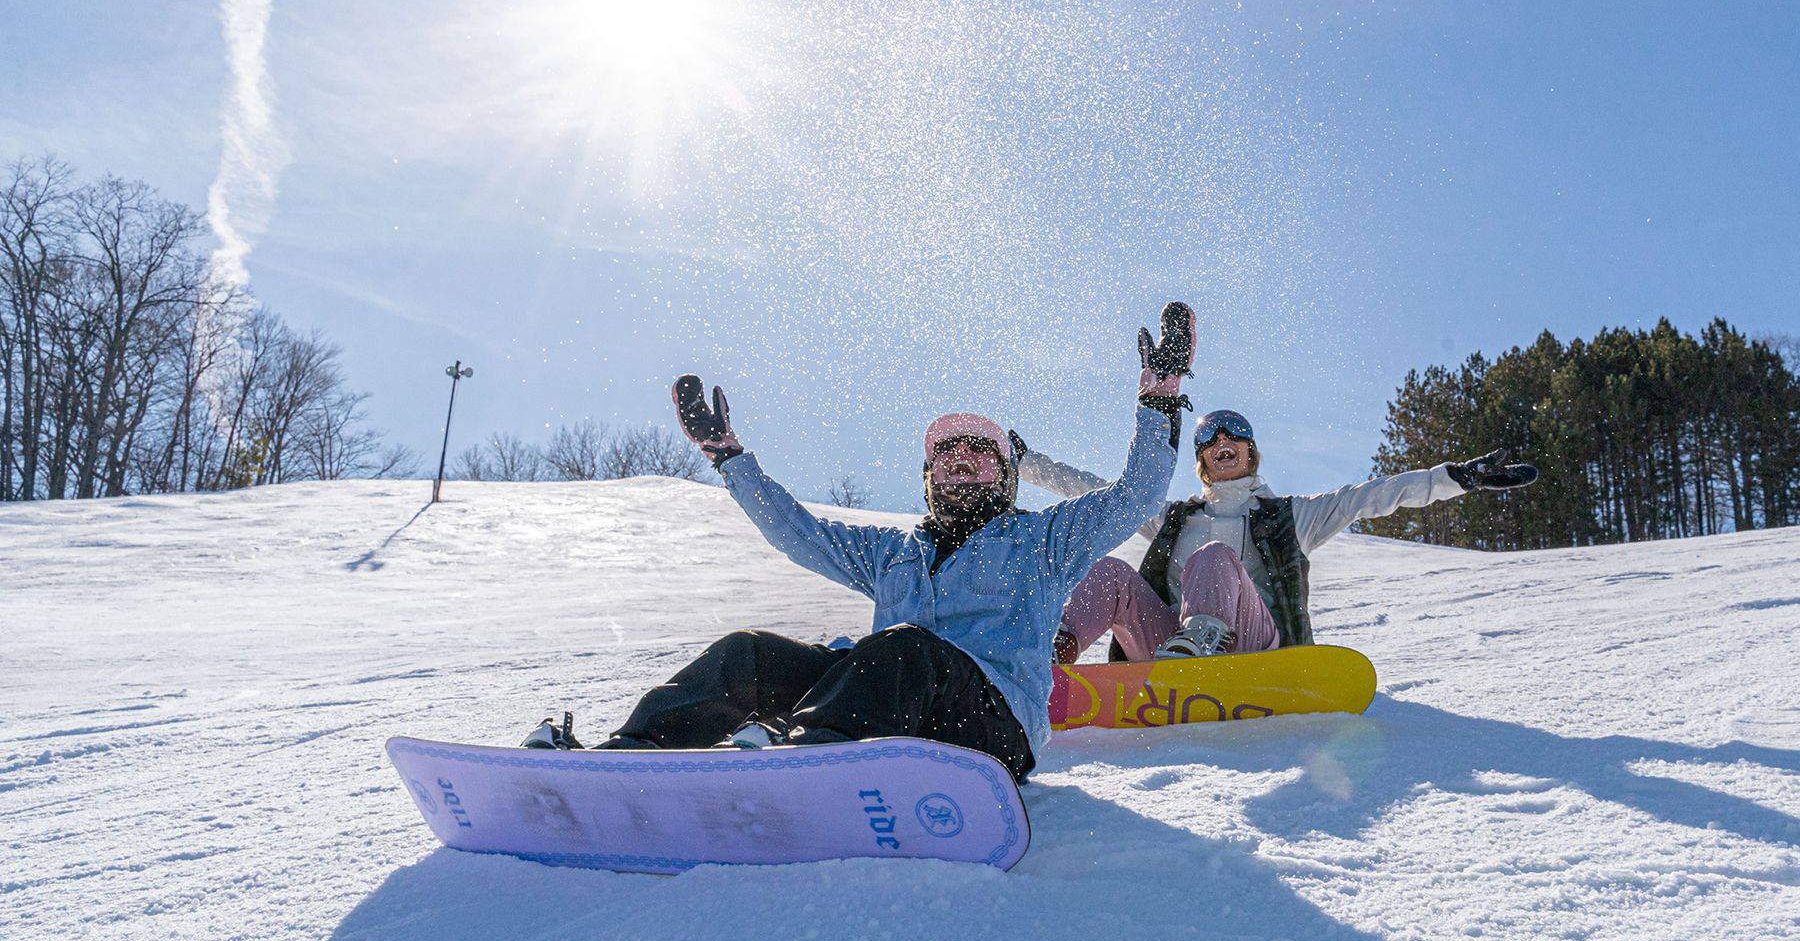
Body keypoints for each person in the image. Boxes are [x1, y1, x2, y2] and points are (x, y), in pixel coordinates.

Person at [520, 309, 1195, 782]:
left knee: (903, 648)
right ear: (928, 479)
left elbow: (1133, 498)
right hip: (888, 720)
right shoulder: (892, 554)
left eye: (981, 454)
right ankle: (625, 762)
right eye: (947, 454)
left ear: (1006, 475)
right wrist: (728, 457)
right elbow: (799, 533)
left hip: (990, 734)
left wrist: (1159, 401)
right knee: (750, 651)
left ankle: (804, 761)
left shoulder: (1042, 540)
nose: (963, 462)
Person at [1015, 408, 1536, 661]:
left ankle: (1205, 645)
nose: (1223, 440)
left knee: (1215, 558)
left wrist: (1454, 479)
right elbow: (1097, 492)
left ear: (1250, 452)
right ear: (1201, 460)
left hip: (1253, 650)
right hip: (1168, 653)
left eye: (1234, 433)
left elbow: (1373, 495)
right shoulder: (1172, 518)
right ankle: (1053, 657)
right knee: (1110, 572)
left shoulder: (1289, 517)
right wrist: (1027, 463)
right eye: (1209, 438)